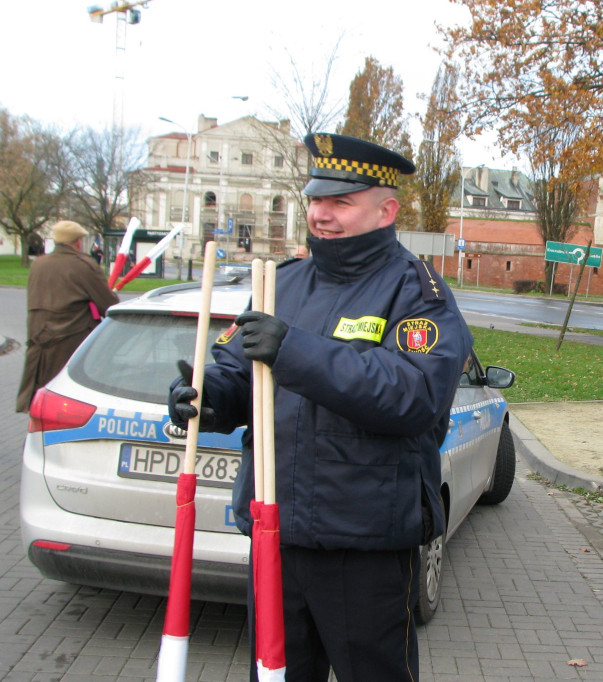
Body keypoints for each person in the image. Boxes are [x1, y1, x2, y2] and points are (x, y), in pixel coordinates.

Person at [169, 133, 473, 681]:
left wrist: (294, 350)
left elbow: (414, 397)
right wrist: (209, 398)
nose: (320, 214)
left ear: (387, 210)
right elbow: (242, 374)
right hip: (276, 531)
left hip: (364, 543)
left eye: (339, 202)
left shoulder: (417, 292)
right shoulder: (281, 282)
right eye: (315, 199)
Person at [16, 220, 119, 412]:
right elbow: (109, 305)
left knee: (41, 397)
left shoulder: (38, 264)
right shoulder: (83, 265)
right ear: (78, 242)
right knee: (68, 400)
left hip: (39, 340)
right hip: (71, 340)